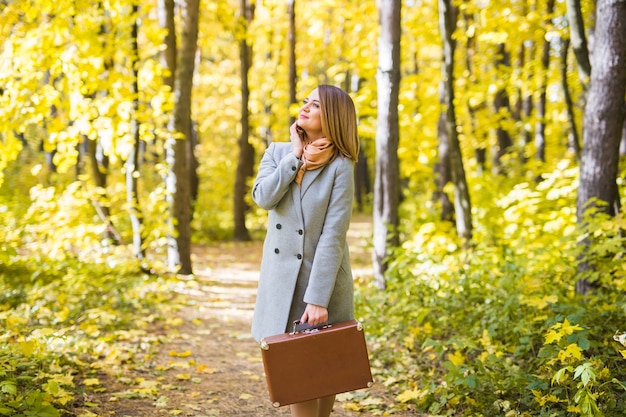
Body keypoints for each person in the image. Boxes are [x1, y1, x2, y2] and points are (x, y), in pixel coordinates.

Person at [251, 84, 360, 417]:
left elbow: (333, 235)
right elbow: (263, 198)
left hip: (320, 281)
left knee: (323, 372)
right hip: (282, 282)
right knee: (296, 371)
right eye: (306, 102)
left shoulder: (341, 167)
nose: (306, 108)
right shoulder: (278, 152)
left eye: (316, 105)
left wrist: (318, 298)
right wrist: (294, 156)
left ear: (332, 118)